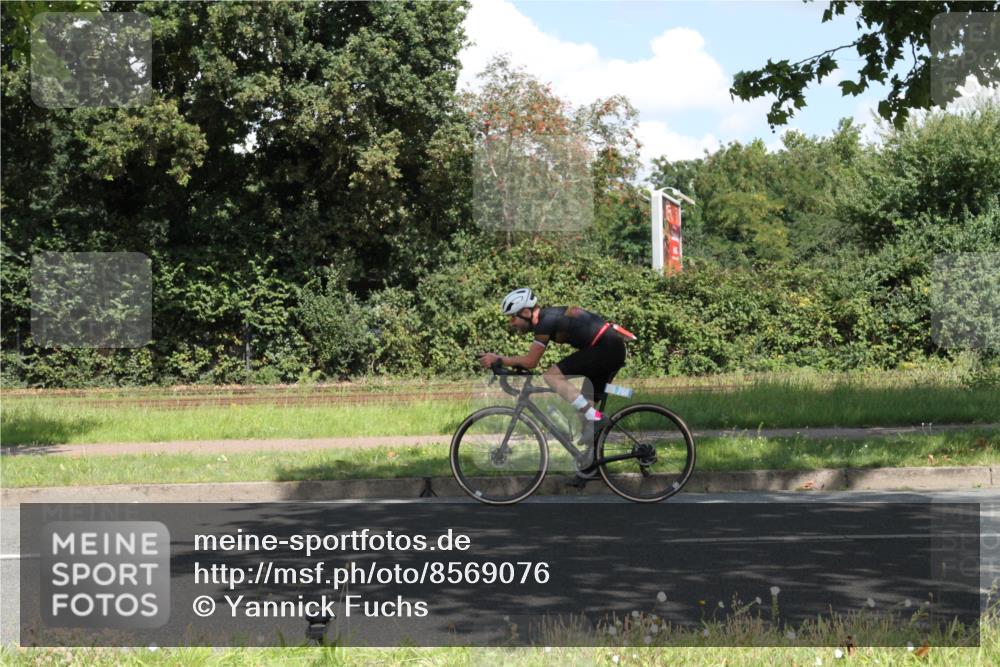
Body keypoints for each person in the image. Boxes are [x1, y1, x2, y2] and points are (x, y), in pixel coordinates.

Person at [478, 288, 635, 478]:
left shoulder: (546, 321)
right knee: (586, 418)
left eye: (513, 317)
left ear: (526, 312)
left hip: (606, 348)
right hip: (608, 347)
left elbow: (531, 361)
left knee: (552, 376)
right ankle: (592, 465)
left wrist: (499, 359)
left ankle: (596, 417)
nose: (512, 323)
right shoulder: (548, 318)